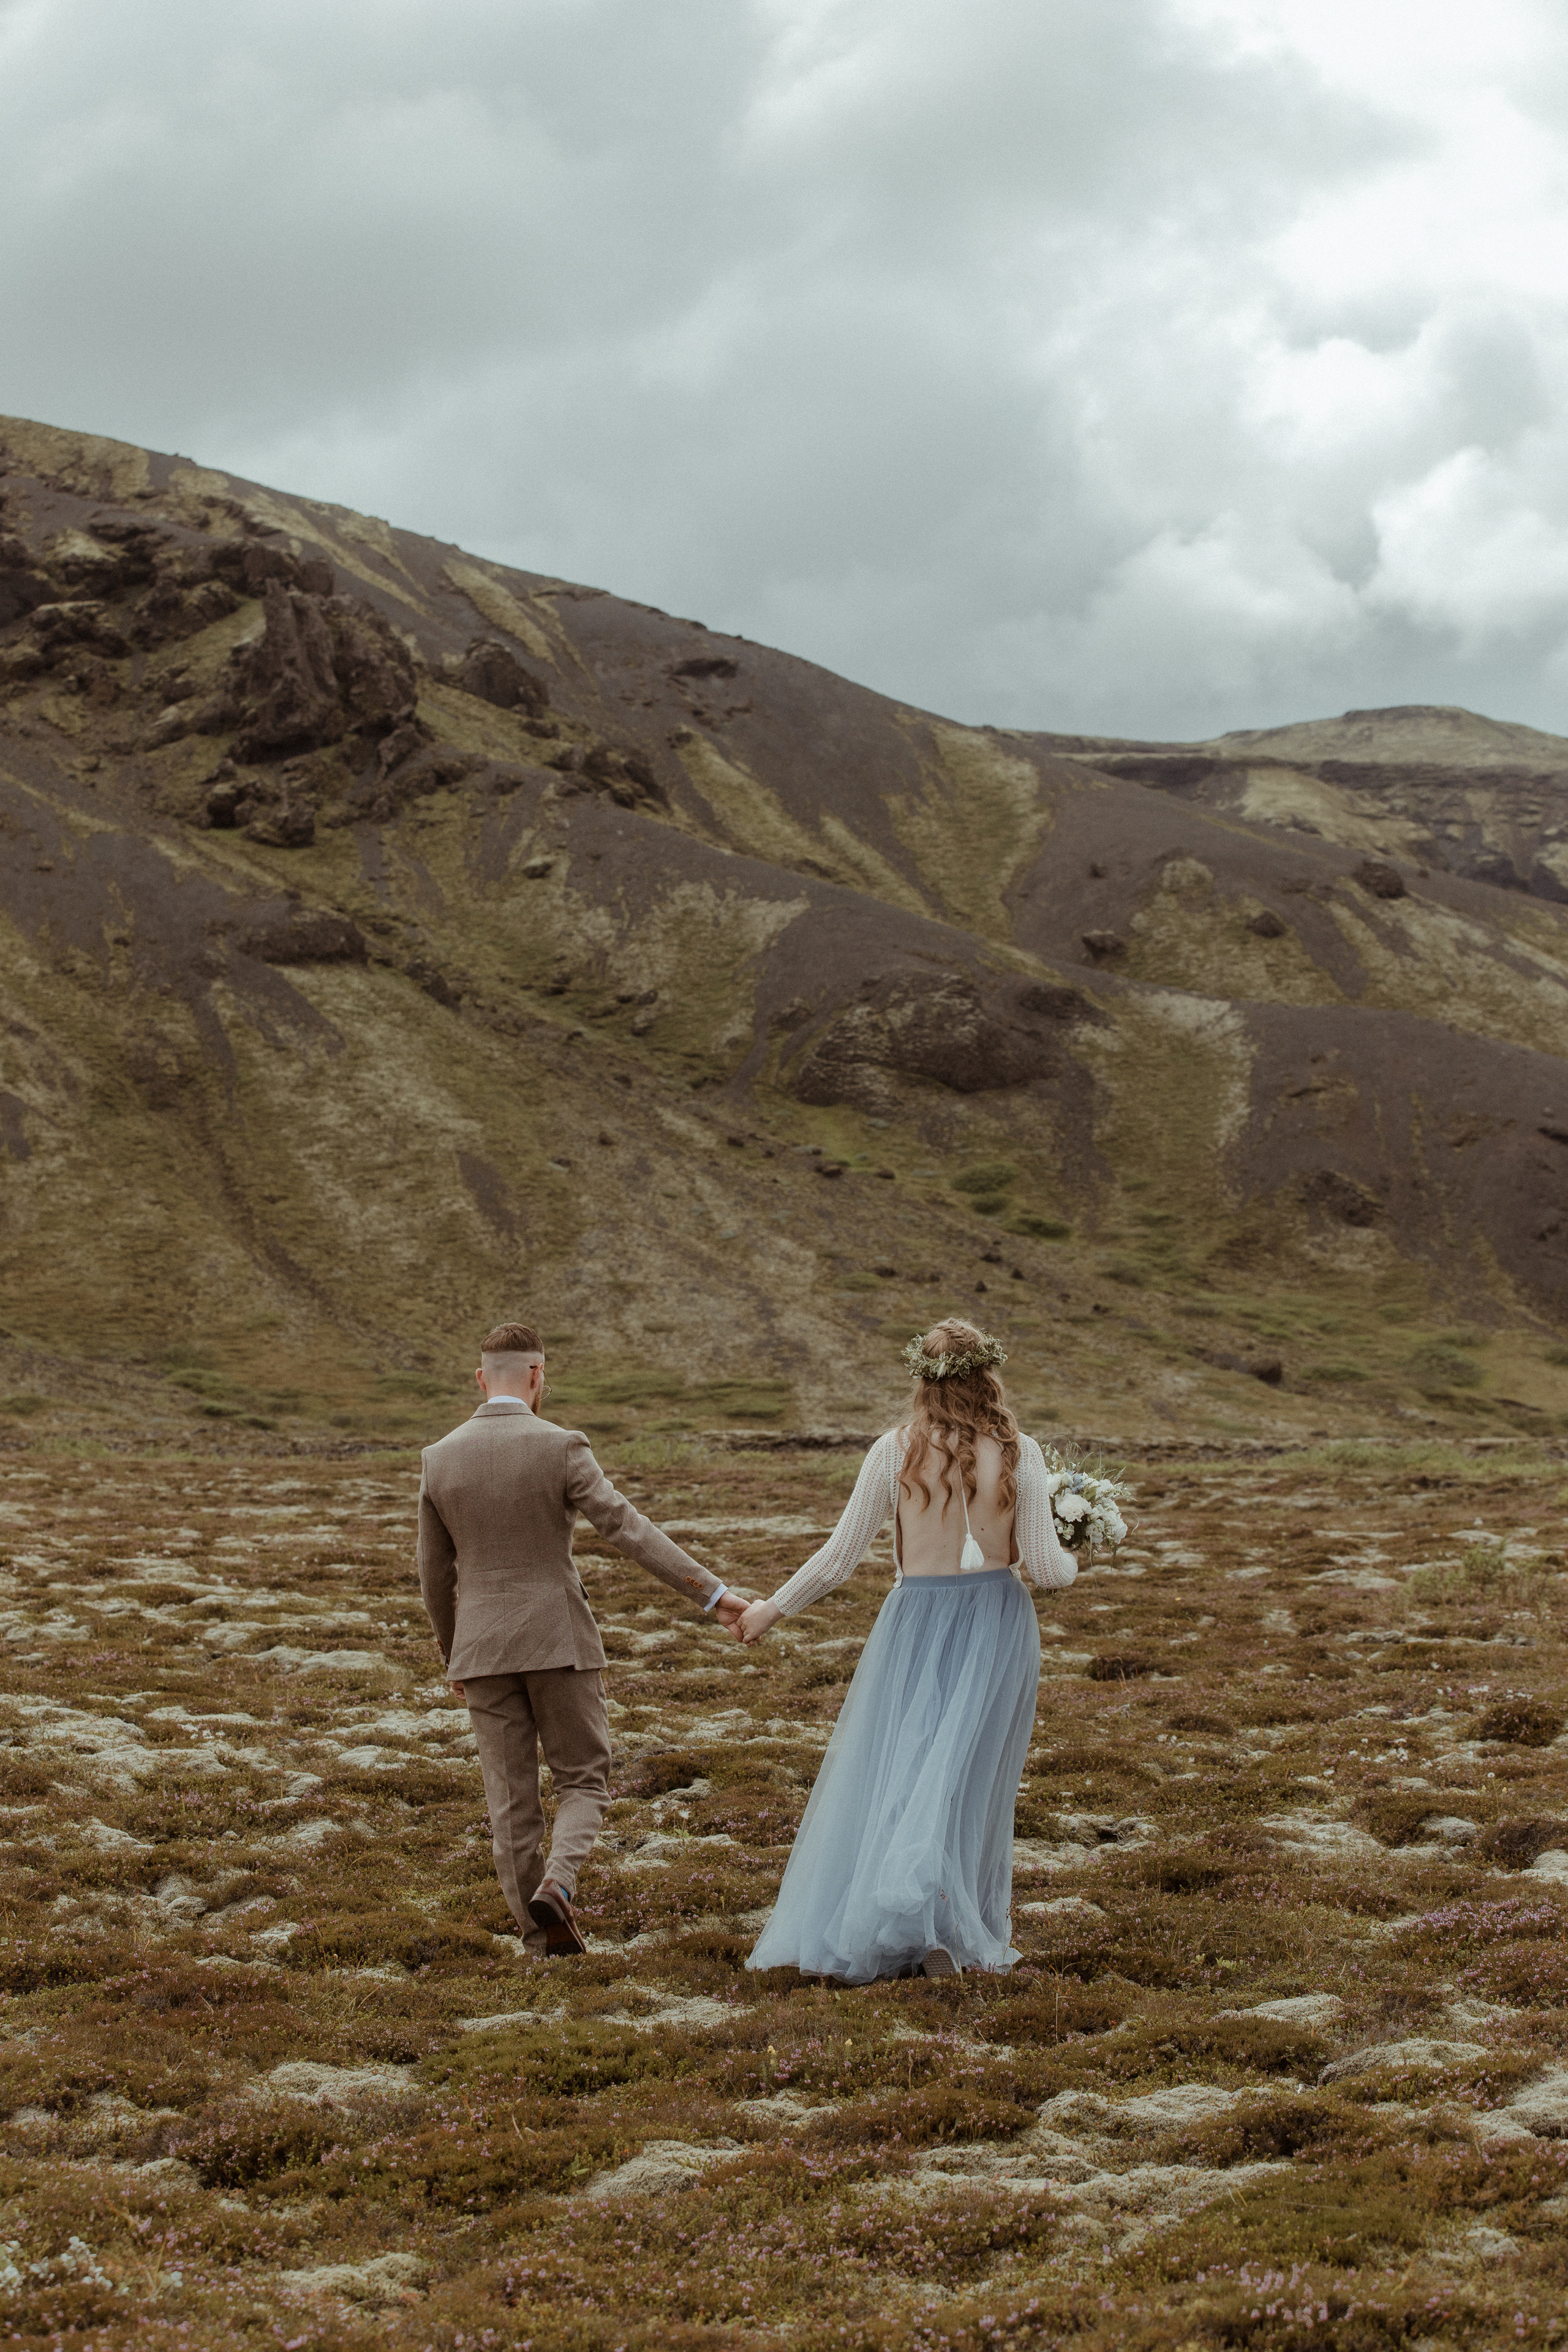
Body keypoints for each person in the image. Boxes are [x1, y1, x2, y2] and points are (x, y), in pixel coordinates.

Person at [736, 1319, 1076, 1983]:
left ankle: (913, 1918)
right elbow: (1050, 1570)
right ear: (989, 1376)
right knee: (969, 1780)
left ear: (920, 1378)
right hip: (996, 1624)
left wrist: (768, 1610)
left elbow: (838, 1560)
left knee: (908, 1767)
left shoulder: (892, 1452)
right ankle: (946, 1925)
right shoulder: (1018, 1454)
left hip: (914, 1621)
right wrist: (1076, 1541)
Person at [418, 1320, 748, 1957]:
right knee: (584, 1780)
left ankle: (540, 1943)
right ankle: (560, 1883)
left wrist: (452, 1652)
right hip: (558, 1640)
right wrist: (712, 1594)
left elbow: (434, 1575)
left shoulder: (439, 1458)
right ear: (538, 1376)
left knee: (510, 1804)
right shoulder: (561, 1446)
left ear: (481, 1379)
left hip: (480, 1651)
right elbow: (626, 1528)